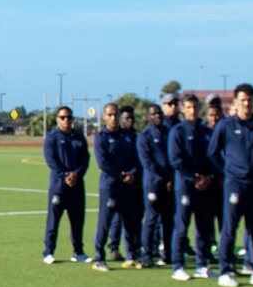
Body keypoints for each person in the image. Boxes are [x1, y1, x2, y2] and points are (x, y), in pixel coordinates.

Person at [209, 84, 253, 287]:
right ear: (236, 102)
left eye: (250, 100)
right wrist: (228, 170)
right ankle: (226, 270)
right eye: (243, 100)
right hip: (235, 185)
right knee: (229, 228)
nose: (247, 103)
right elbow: (213, 152)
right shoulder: (226, 125)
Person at [167, 93, 217, 281]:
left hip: (205, 187)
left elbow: (213, 156)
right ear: (183, 109)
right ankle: (178, 266)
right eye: (189, 107)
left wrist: (209, 177)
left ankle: (202, 265)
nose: (192, 110)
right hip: (186, 187)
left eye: (195, 107)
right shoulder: (177, 132)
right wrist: (193, 178)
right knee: (181, 227)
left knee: (204, 228)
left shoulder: (206, 132)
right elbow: (176, 160)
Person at [93, 104, 142, 269]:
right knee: (105, 222)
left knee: (130, 222)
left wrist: (133, 173)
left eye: (115, 114)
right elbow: (103, 163)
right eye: (110, 115)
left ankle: (131, 255)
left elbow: (136, 158)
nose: (113, 118)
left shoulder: (127, 136)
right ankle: (99, 257)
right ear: (104, 117)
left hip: (127, 186)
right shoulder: (101, 137)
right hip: (110, 186)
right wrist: (121, 175)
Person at [40, 107, 91, 265]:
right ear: (57, 119)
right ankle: (48, 252)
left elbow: (85, 159)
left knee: (77, 221)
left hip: (77, 186)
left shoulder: (79, 138)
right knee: (53, 221)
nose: (66, 120)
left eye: (69, 117)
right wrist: (65, 175)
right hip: (59, 187)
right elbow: (51, 160)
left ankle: (78, 252)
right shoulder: (52, 137)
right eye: (63, 117)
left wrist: (77, 174)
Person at [136, 101, 176, 269]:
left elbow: (174, 157)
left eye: (159, 113)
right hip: (153, 184)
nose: (157, 116)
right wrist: (163, 179)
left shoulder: (170, 133)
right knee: (151, 219)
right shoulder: (144, 136)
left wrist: (171, 179)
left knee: (168, 221)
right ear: (148, 117)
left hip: (169, 185)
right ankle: (147, 254)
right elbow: (148, 163)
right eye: (153, 114)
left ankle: (167, 254)